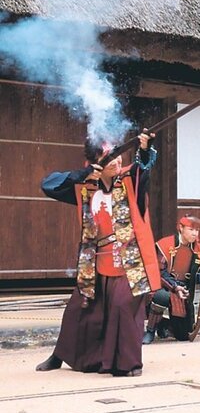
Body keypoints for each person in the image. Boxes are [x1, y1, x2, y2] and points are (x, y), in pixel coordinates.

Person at [36, 133, 159, 376]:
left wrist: (144, 150)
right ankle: (61, 355)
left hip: (129, 260)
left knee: (124, 306)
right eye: (108, 156)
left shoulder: (129, 181)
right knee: (78, 310)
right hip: (94, 261)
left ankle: (126, 363)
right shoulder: (85, 187)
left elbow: (142, 169)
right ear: (96, 163)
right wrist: (82, 175)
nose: (116, 161)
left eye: (117, 154)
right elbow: (48, 185)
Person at [145, 215, 200, 343]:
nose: (194, 233)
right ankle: (150, 330)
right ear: (180, 228)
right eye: (191, 229)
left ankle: (163, 324)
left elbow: (195, 275)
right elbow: (160, 272)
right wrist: (174, 286)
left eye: (197, 230)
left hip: (183, 292)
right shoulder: (165, 245)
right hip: (163, 286)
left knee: (183, 335)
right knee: (161, 297)